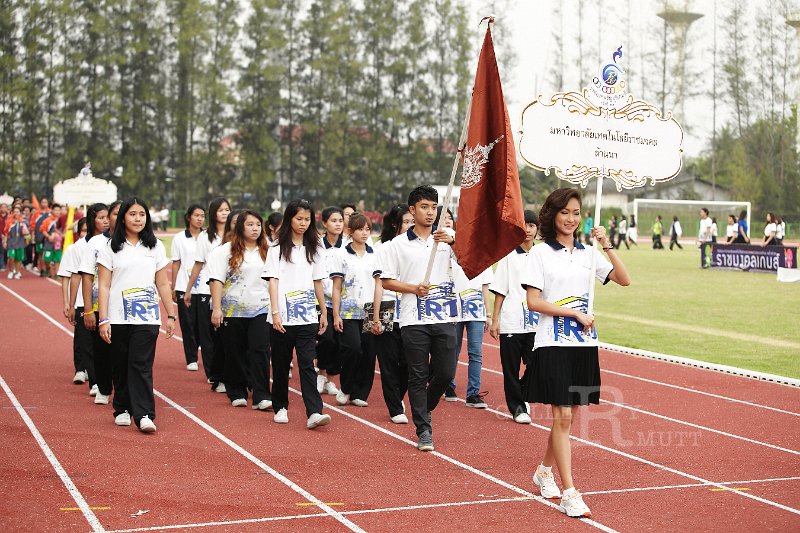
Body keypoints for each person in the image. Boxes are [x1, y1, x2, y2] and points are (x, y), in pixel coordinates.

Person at [522, 188, 630, 518]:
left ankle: (543, 471)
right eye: (565, 212)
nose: (571, 219)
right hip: (552, 342)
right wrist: (573, 314)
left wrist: (606, 246)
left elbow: (624, 279)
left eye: (577, 213)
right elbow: (534, 302)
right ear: (552, 215)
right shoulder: (539, 254)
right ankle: (570, 492)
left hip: (583, 344)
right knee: (564, 416)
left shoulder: (587, 253)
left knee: (567, 418)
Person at [380, 185, 457, 452]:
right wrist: (414, 288)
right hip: (413, 319)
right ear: (412, 210)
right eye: (424, 207)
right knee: (417, 374)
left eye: (434, 207)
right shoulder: (397, 245)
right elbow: (387, 281)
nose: (430, 212)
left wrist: (453, 243)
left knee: (445, 373)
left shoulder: (448, 239)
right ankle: (424, 429)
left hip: (444, 314)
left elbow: (472, 261)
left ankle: (423, 405)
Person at [97, 198, 175, 433]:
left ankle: (144, 414)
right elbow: (104, 285)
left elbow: (162, 283)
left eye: (142, 214)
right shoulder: (109, 247)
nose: (138, 218)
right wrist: (103, 318)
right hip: (118, 316)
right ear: (122, 218)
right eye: (132, 214)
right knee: (120, 365)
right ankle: (121, 408)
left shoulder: (156, 247)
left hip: (147, 316)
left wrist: (171, 314)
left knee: (140, 364)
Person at [263, 198, 331, 429]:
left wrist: (323, 311)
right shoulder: (276, 248)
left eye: (307, 219)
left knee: (306, 364)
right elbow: (273, 280)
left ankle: (314, 411)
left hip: (306, 317)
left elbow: (318, 281)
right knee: (281, 365)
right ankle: (280, 406)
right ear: (289, 218)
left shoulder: (316, 246)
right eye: (299, 219)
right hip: (281, 316)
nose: (303, 223)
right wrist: (275, 313)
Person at [207, 210, 272, 410]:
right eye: (250, 224)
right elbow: (216, 280)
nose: (255, 229)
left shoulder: (269, 251)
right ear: (240, 227)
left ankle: (261, 394)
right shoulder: (223, 251)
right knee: (234, 352)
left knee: (260, 350)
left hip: (261, 308)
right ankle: (236, 391)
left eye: (258, 225)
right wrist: (216, 308)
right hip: (232, 310)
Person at [436, 207, 493, 408]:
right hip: (454, 306)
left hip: (476, 308)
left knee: (476, 352)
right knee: (453, 349)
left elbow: (485, 285)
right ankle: (449, 385)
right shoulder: (451, 250)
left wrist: (488, 314)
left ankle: (473, 394)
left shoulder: (483, 254)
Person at [489, 209, 539, 424]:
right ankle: (518, 408)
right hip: (512, 321)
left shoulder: (542, 255)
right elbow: (500, 290)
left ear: (537, 229)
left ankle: (521, 393)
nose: (527, 230)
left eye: (531, 225)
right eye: (523, 225)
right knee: (510, 368)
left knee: (538, 363)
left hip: (537, 322)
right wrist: (495, 319)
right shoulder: (508, 256)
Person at [371, 204, 413, 424]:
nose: (410, 226)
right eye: (406, 222)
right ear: (396, 224)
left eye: (412, 222)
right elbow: (378, 284)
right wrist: (375, 317)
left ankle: (398, 397)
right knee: (387, 362)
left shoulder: (416, 248)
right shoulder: (383, 248)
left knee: (408, 361)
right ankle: (395, 407)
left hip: (409, 308)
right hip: (384, 306)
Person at [184, 197, 231, 393]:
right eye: (220, 210)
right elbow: (198, 263)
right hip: (207, 291)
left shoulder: (235, 234)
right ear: (213, 213)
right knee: (210, 335)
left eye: (227, 210)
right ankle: (215, 375)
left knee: (228, 337)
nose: (224, 213)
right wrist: (188, 290)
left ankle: (230, 374)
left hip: (231, 292)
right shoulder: (206, 237)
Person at [331, 213, 378, 407]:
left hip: (370, 310)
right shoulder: (340, 255)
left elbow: (379, 285)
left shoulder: (375, 255)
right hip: (348, 310)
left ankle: (360, 393)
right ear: (350, 232)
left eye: (368, 229)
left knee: (368, 353)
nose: (365, 233)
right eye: (360, 229)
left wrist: (378, 315)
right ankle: (346, 387)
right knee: (353, 348)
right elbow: (336, 287)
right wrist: (335, 314)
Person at [79, 201, 119, 405]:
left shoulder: (135, 242)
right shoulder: (95, 243)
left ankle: (122, 394)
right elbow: (87, 277)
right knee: (102, 351)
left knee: (122, 353)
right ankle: (103, 387)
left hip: (123, 308)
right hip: (99, 306)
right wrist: (88, 310)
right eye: (115, 214)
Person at [171, 204, 212, 375]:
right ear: (188, 217)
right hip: (183, 286)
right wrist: (173, 287)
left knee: (204, 325)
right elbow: (176, 262)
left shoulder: (208, 236)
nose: (200, 219)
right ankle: (192, 358)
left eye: (202, 216)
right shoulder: (179, 238)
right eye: (196, 215)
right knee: (187, 324)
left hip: (204, 287)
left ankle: (207, 358)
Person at [58, 218, 92, 386]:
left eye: (88, 229)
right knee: (81, 337)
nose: (86, 233)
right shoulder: (73, 249)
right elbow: (66, 277)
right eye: (83, 230)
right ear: (79, 232)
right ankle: (80, 369)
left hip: (97, 299)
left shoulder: (103, 245)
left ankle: (93, 371)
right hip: (79, 300)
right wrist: (66, 303)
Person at [316, 206, 344, 396]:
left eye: (341, 221)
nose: (338, 224)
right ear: (325, 223)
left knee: (339, 342)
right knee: (326, 339)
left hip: (344, 302)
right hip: (321, 300)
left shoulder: (348, 245)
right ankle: (321, 373)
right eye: (334, 221)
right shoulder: (317, 246)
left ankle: (332, 379)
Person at [3, 205, 29, 279]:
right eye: (14, 212)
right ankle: (11, 271)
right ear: (12, 213)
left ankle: (17, 272)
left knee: (18, 259)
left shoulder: (23, 222)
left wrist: (27, 239)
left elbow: (27, 233)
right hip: (11, 242)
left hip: (20, 242)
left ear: (20, 213)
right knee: (11, 258)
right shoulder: (9, 222)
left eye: (17, 212)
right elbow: (6, 233)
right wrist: (5, 242)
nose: (16, 213)